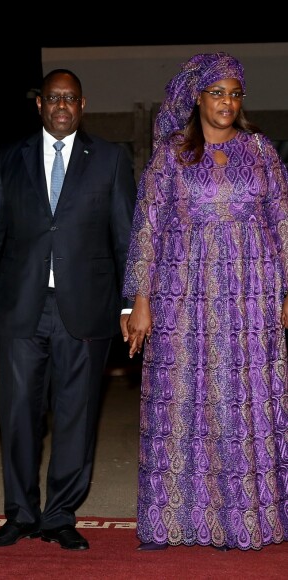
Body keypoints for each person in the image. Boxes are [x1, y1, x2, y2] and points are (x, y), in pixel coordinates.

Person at [123, 52, 288, 551]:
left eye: (235, 93)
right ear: (197, 97)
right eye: (218, 92)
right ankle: (177, 519)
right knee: (185, 400)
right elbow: (147, 227)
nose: (227, 102)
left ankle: (248, 519)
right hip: (183, 294)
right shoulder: (171, 154)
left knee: (245, 403)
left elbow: (283, 222)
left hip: (253, 296)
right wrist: (141, 300)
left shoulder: (261, 151)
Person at [0, 68, 137, 551]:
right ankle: (21, 513)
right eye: (53, 98)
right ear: (39, 105)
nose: (62, 105)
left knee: (76, 414)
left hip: (87, 310)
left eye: (70, 98)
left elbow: (126, 238)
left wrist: (131, 303)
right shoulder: (8, 157)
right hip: (20, 308)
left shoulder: (110, 158)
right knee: (18, 415)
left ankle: (60, 514)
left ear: (83, 104)